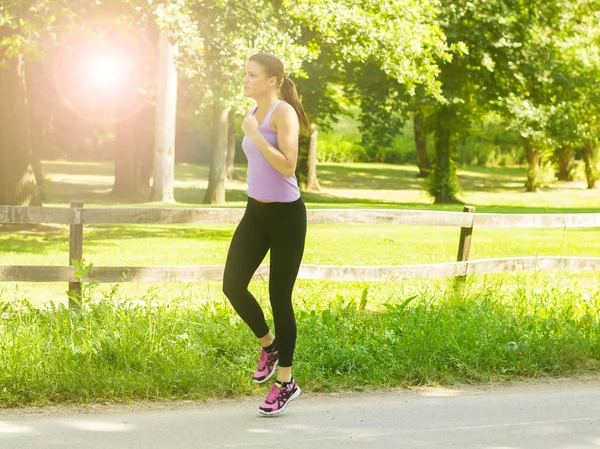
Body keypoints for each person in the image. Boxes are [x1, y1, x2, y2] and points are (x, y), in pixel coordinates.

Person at [222, 52, 310, 416]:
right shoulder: (252, 115)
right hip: (255, 211)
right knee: (232, 284)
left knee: (279, 297)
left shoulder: (283, 113)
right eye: (244, 73)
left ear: (272, 81)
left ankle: (285, 383)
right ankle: (269, 346)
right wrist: (253, 131)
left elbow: (288, 166)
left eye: (252, 75)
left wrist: (256, 136)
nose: (244, 80)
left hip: (287, 217)